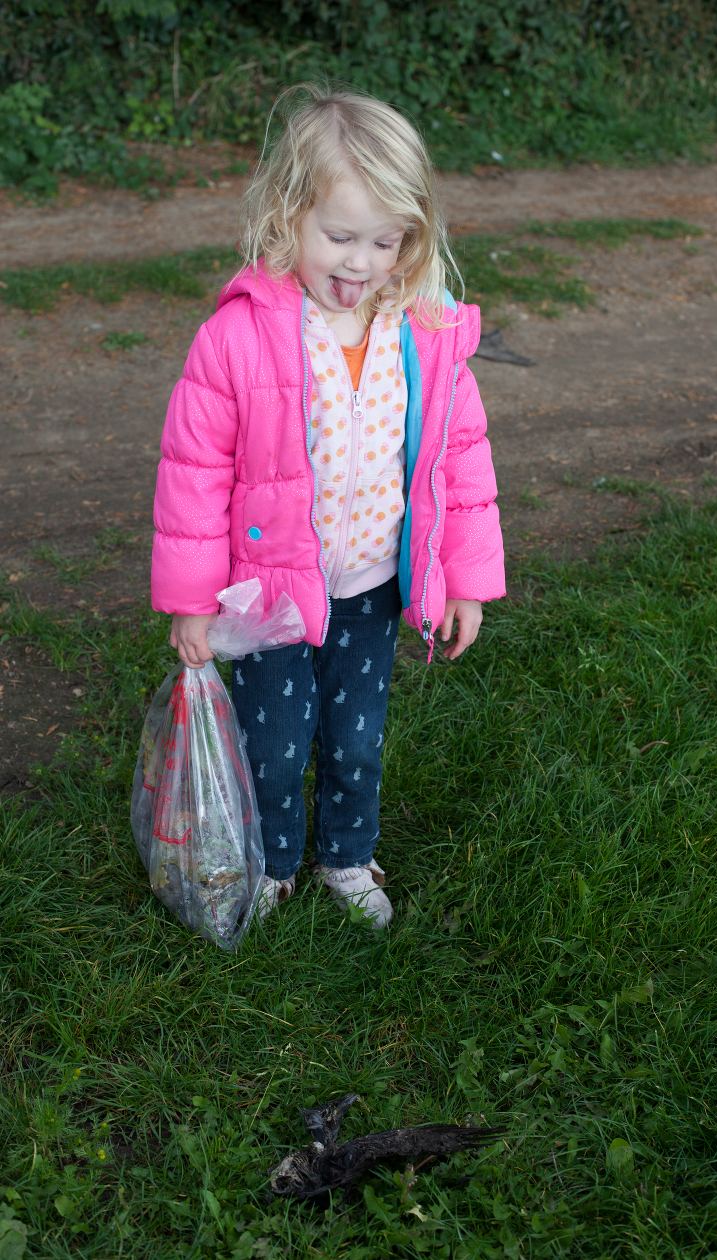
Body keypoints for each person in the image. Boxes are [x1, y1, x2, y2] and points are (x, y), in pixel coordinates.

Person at [150, 84, 505, 929]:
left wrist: (466, 582)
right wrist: (192, 600)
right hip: (269, 594)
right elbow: (193, 472)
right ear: (287, 215)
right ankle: (273, 864)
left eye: (387, 241)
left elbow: (460, 460)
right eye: (340, 237)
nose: (361, 264)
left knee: (354, 740)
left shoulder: (423, 328)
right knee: (273, 747)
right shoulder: (237, 336)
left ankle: (346, 857)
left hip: (375, 584)